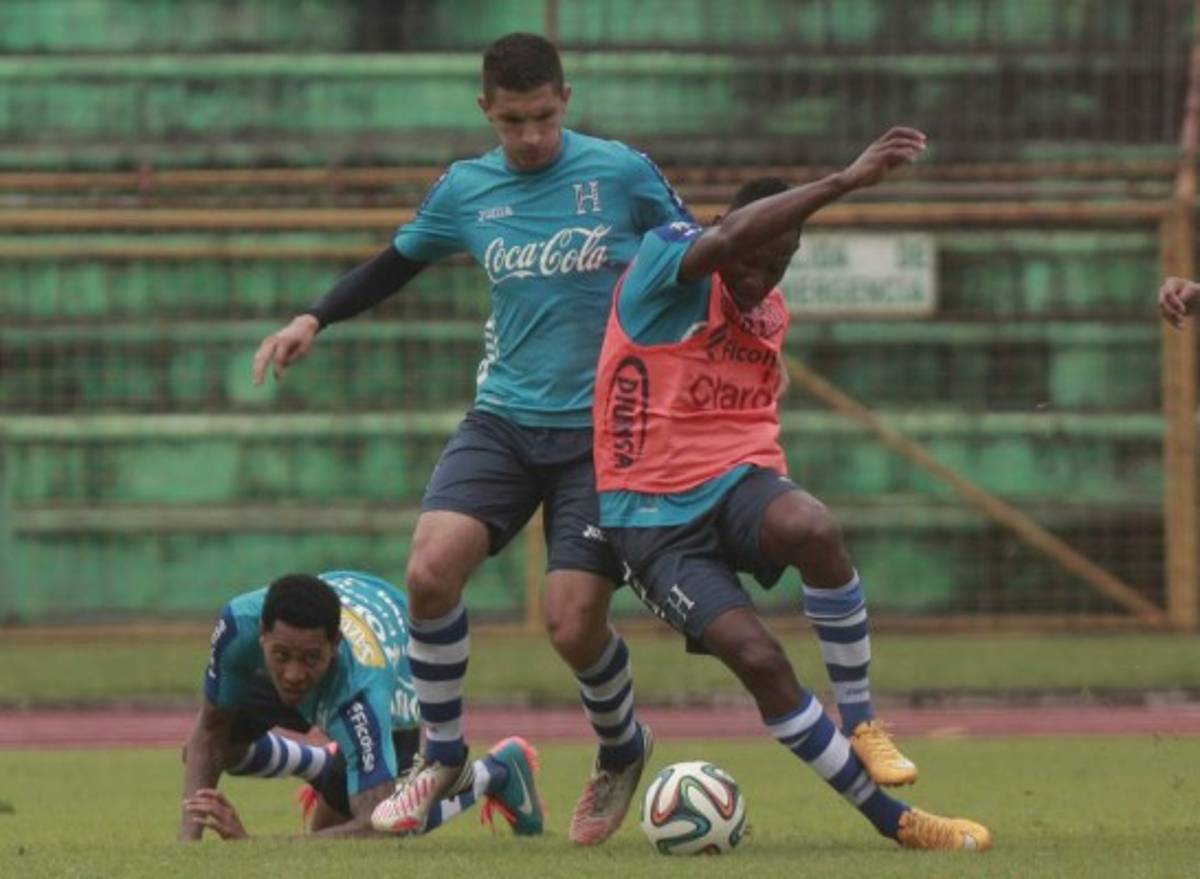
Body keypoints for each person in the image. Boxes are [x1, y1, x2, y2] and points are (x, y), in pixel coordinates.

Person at [251, 33, 692, 843]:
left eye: (543, 118)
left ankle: (623, 745)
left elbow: (701, 257)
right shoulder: (466, 189)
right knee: (428, 569)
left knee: (570, 623)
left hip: (603, 432)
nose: (528, 137)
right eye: (512, 121)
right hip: (503, 419)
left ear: (566, 99)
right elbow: (394, 261)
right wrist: (314, 315)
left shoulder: (623, 173)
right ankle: (444, 756)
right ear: (484, 109)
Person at [592, 128, 992, 851]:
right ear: (723, 234)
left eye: (782, 264)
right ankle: (894, 821)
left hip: (735, 484)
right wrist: (843, 180)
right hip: (650, 519)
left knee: (813, 526)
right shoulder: (666, 263)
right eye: (753, 257)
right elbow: (731, 242)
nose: (761, 278)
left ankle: (863, 719)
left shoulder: (771, 312)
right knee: (761, 660)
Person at [179, 570, 543, 840]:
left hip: (396, 658)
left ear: (334, 644)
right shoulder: (236, 626)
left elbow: (375, 824)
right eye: (280, 655)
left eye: (310, 658)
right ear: (261, 635)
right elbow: (207, 736)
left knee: (360, 826)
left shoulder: (363, 695)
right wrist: (189, 843)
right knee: (210, 747)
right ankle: (322, 763)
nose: (292, 674)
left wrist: (251, 844)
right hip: (347, 611)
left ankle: (497, 772)